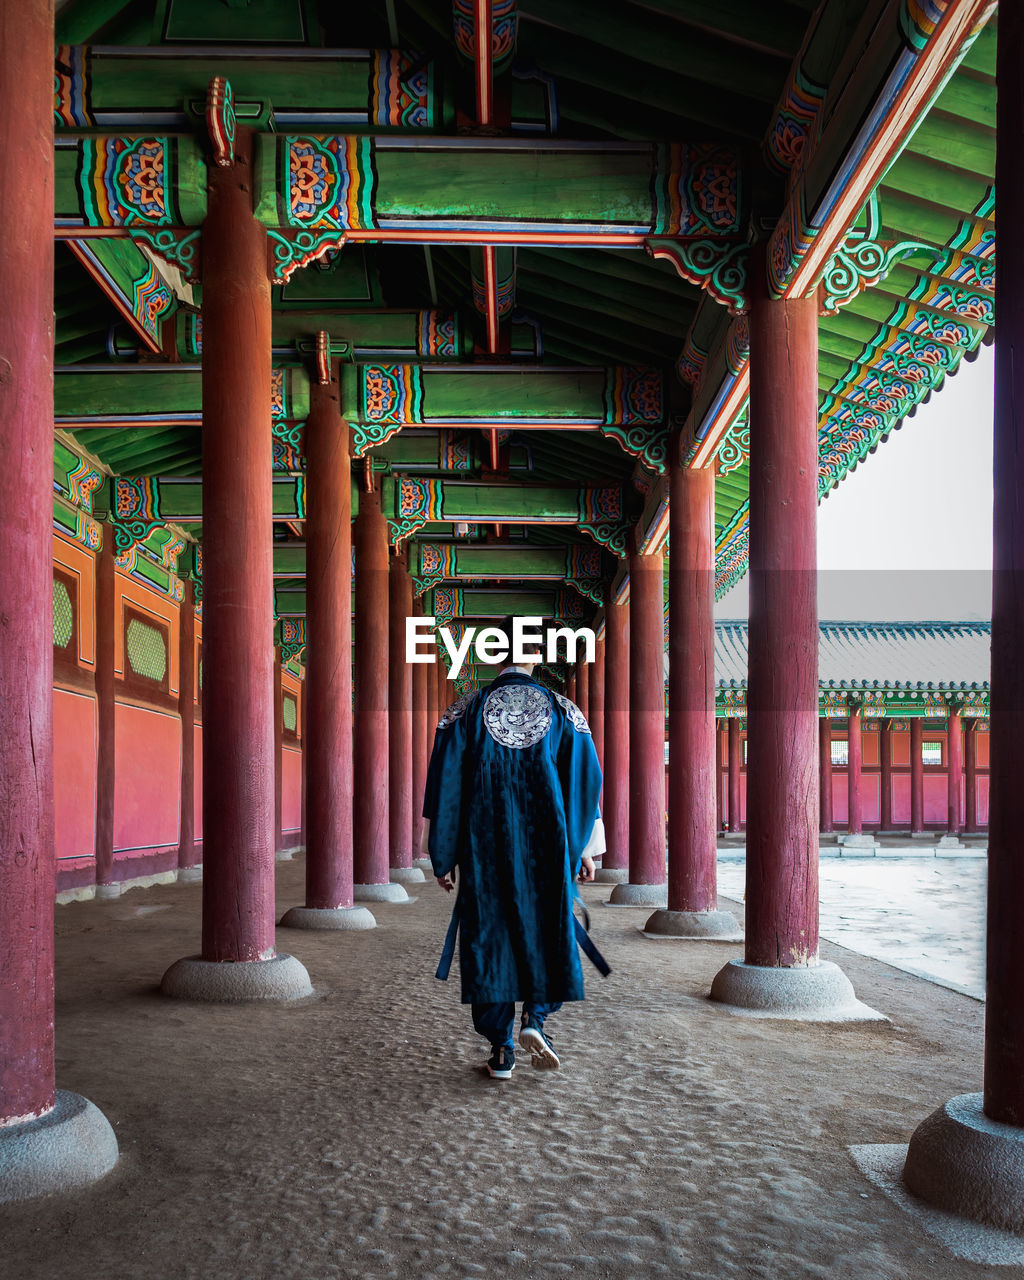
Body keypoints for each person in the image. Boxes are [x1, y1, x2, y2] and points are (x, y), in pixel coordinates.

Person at [422, 618, 608, 1079]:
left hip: (485, 851)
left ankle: (501, 1049)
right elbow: (584, 786)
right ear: (537, 656)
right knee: (547, 928)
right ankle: (536, 1020)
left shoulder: (463, 711)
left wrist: (442, 855)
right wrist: (584, 848)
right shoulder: (564, 711)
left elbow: (446, 788)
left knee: (491, 937)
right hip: (548, 849)